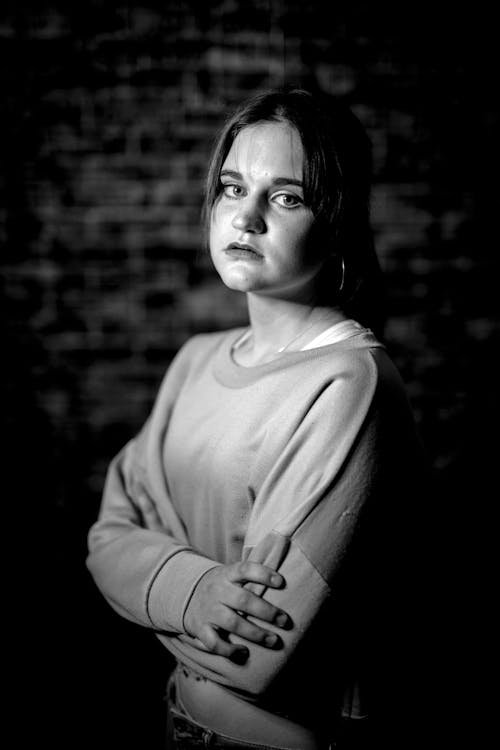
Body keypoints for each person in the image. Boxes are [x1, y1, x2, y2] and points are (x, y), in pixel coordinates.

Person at [86, 87, 426, 749]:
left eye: (286, 196)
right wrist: (198, 591)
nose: (246, 219)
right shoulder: (195, 361)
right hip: (175, 721)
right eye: (232, 187)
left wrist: (151, 574)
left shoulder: (348, 382)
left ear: (337, 221)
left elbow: (262, 651)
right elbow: (105, 539)